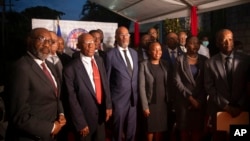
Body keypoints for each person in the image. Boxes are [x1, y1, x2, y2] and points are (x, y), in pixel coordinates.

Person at [5, 27, 66, 141]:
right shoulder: (21, 68)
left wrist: (61, 113)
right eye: (41, 39)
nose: (47, 44)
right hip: (29, 136)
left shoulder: (49, 65)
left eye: (50, 41)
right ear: (29, 40)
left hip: (50, 134)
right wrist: (51, 127)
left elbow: (56, 96)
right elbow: (19, 115)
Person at [63, 33, 112, 141]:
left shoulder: (100, 61)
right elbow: (71, 99)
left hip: (101, 115)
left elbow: (105, 84)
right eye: (86, 43)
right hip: (84, 119)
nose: (90, 46)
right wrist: (80, 122)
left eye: (92, 42)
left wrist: (108, 105)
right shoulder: (70, 68)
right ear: (78, 46)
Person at [204, 29, 250, 140]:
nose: (228, 43)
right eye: (224, 40)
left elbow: (247, 85)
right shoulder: (210, 63)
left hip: (241, 111)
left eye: (230, 39)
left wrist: (240, 105)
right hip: (219, 110)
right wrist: (226, 106)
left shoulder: (245, 60)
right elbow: (209, 87)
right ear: (217, 43)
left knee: (238, 137)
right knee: (220, 138)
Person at [106, 26, 138, 141]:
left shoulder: (134, 53)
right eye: (121, 35)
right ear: (116, 37)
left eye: (127, 35)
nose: (125, 37)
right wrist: (109, 103)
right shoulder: (110, 55)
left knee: (131, 130)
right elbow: (107, 81)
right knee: (117, 131)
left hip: (133, 100)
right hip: (118, 100)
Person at [174, 36, 208, 141]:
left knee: (197, 131)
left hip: (199, 101)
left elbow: (207, 82)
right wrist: (190, 98)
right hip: (184, 101)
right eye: (192, 43)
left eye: (197, 43)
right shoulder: (179, 60)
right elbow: (177, 81)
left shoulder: (205, 60)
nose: (195, 45)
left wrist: (199, 100)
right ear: (186, 44)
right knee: (184, 131)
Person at [139, 41, 168, 141]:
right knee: (150, 128)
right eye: (155, 50)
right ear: (149, 51)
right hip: (150, 102)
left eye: (159, 50)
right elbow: (141, 86)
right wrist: (145, 106)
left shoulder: (165, 64)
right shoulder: (144, 64)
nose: (158, 52)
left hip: (163, 102)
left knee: (160, 128)